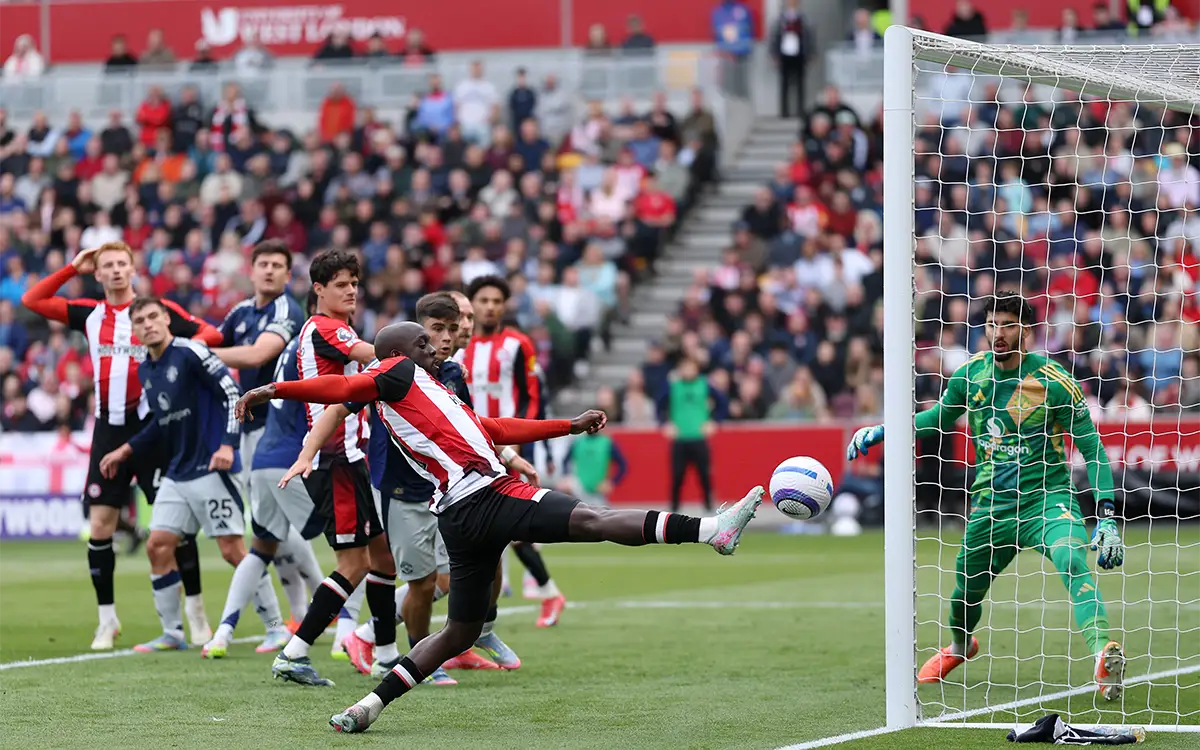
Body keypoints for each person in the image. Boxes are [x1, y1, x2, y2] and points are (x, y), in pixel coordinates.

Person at [232, 321, 764, 733]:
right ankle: (711, 530)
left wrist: (568, 425)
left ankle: (368, 706)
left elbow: (497, 427)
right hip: (484, 494)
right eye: (423, 342)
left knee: (459, 632)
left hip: (459, 514)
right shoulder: (397, 374)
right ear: (399, 353)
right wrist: (274, 389)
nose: (433, 347)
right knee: (594, 519)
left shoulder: (430, 390)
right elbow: (341, 385)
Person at [847, 292, 1126, 699]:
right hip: (992, 506)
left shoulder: (1054, 380)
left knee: (1071, 557)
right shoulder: (971, 375)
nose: (998, 333)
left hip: (1047, 500)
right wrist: (884, 429)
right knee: (964, 593)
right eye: (992, 324)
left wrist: (1107, 515)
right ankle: (960, 646)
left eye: (1008, 325)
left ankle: (1103, 655)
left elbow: (1093, 450)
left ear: (1027, 331)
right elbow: (938, 418)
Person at [289, 294, 524, 684]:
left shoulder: (452, 373)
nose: (446, 338)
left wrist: (510, 458)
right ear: (417, 333)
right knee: (420, 582)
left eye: (453, 328)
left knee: (456, 574)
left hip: (444, 490)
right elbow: (337, 404)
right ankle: (419, 658)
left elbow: (473, 426)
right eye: (436, 330)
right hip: (400, 490)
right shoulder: (388, 372)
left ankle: (387, 638)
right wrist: (307, 452)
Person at [20, 241, 221, 650]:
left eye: (121, 264)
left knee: (176, 530)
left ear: (133, 269)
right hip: (108, 431)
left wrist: (179, 357)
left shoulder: (154, 312)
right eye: (106, 265)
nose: (114, 270)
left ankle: (197, 615)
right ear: (97, 274)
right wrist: (71, 269)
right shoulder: (91, 314)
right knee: (100, 526)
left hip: (154, 429)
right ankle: (107, 620)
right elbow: (32, 300)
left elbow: (210, 333)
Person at [98, 297, 283, 652]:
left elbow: (232, 393)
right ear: (134, 331)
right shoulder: (146, 370)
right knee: (157, 545)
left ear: (167, 319)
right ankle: (172, 633)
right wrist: (125, 450)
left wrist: (227, 445)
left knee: (233, 551)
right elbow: (161, 421)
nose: (148, 324)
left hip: (213, 465)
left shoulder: (191, 352)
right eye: (140, 321)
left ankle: (276, 627)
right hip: (178, 471)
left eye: (153, 316)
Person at [266, 248, 398, 687]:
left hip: (350, 459)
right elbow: (372, 353)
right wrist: (412, 350)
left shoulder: (331, 328)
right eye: (341, 284)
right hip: (335, 460)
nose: (352, 291)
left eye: (355, 284)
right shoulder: (327, 328)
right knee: (353, 564)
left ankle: (386, 656)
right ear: (318, 289)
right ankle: (294, 653)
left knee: (383, 559)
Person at [200, 292, 325, 659]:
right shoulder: (244, 314)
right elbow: (234, 346)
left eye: (276, 265)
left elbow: (256, 355)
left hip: (269, 439)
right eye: (263, 264)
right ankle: (315, 617)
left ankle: (292, 617)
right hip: (270, 440)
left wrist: (197, 352)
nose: (269, 270)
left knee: (266, 540)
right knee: (272, 539)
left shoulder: (289, 318)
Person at [456, 275, 567, 627]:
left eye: (496, 301)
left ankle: (544, 593)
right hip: (470, 448)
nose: (490, 307)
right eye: (483, 301)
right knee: (494, 528)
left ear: (504, 306)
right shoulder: (459, 348)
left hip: (507, 447)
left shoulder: (518, 344)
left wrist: (518, 441)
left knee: (509, 524)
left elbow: (531, 396)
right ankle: (536, 595)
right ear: (471, 305)